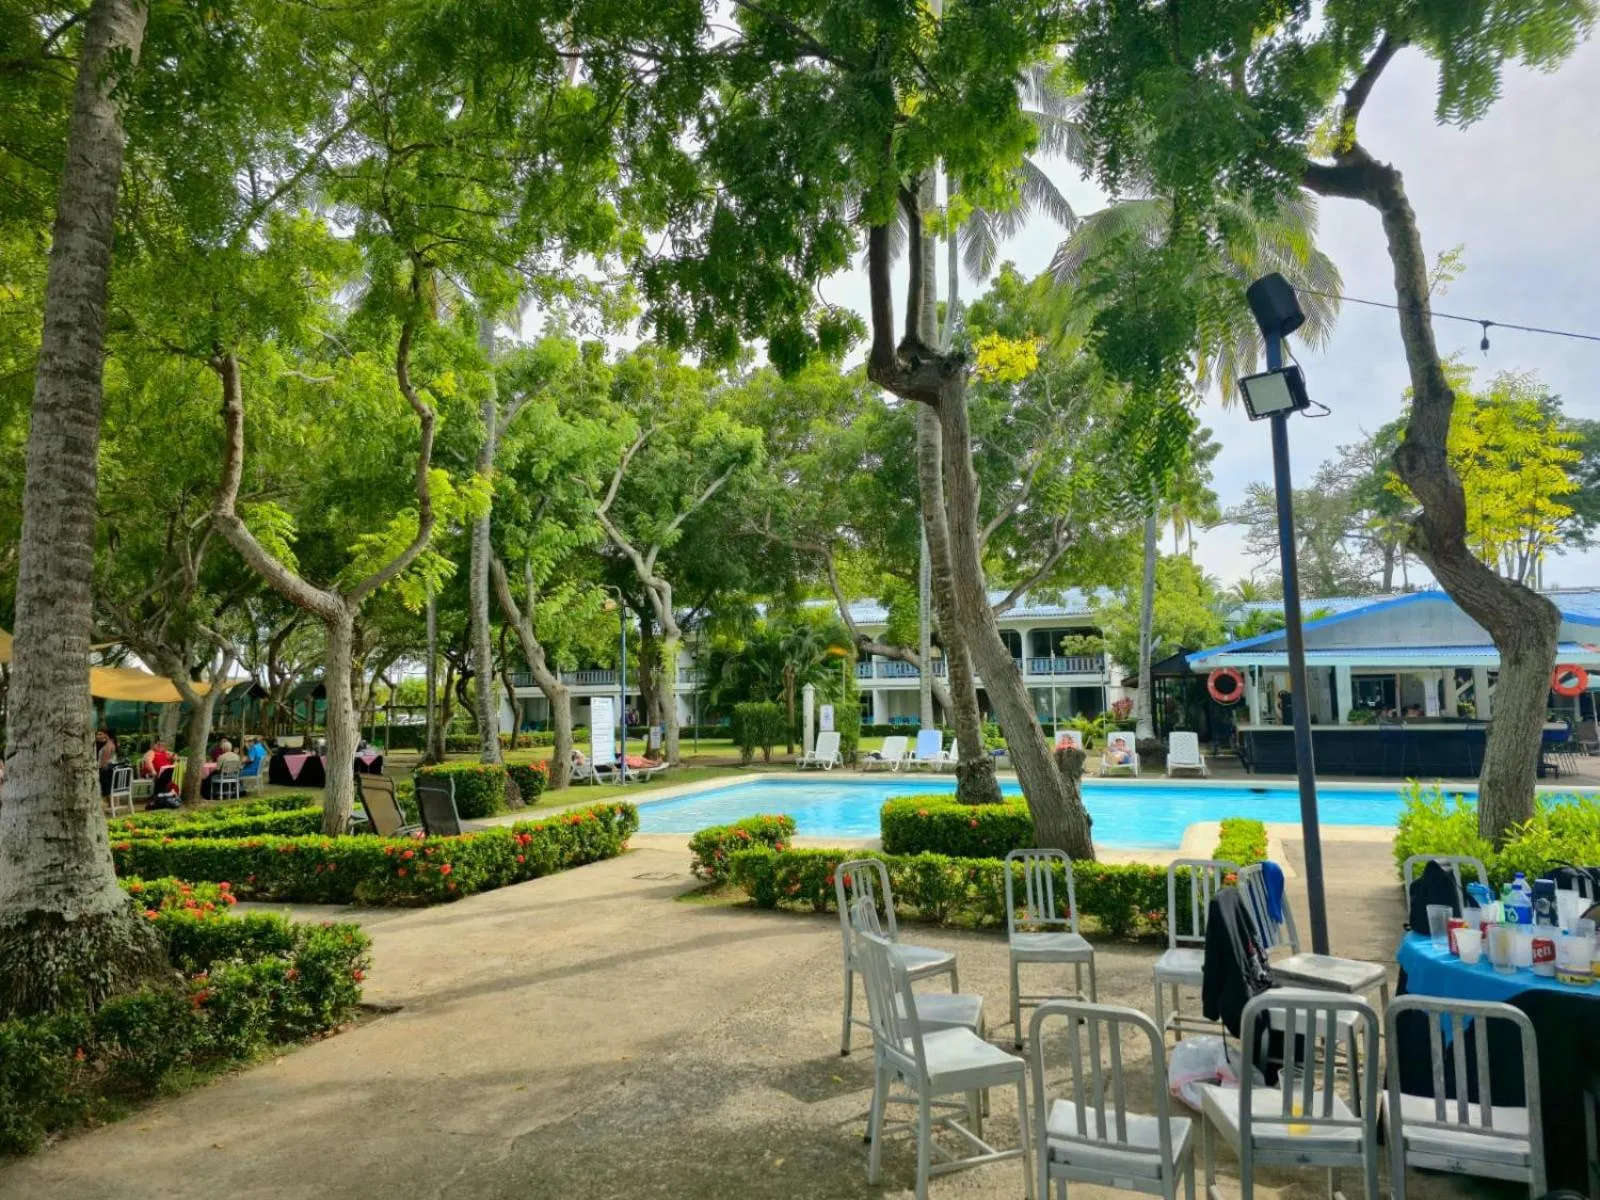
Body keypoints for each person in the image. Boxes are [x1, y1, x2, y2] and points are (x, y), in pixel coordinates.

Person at [95, 729, 118, 798]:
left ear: (106, 735)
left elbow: (104, 761)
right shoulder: (111, 744)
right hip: (109, 770)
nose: (98, 736)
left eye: (101, 734)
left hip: (106, 771)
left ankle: (107, 801)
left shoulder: (108, 746)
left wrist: (98, 768)